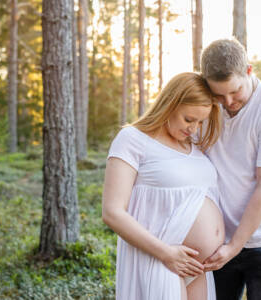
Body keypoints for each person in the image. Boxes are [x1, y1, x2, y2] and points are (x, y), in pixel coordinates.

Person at [102, 72, 225, 300]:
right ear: (170, 104)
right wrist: (167, 254)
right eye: (189, 119)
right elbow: (112, 212)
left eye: (200, 122)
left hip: (197, 268)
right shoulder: (132, 139)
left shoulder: (194, 146)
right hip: (161, 258)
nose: (194, 129)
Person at [200, 39, 261, 300]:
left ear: (249, 71)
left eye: (235, 92)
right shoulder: (206, 106)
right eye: (219, 95)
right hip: (218, 237)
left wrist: (234, 246)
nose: (228, 101)